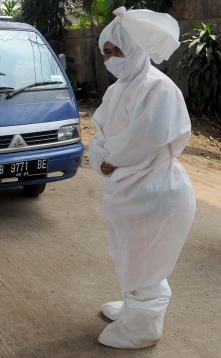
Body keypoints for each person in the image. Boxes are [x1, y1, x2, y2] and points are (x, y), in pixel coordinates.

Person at [89, 7, 196, 349]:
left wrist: (108, 159)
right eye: (106, 52)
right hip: (127, 189)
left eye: (115, 51)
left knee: (147, 261)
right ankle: (133, 309)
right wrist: (100, 157)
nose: (110, 59)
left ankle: (143, 327)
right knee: (128, 254)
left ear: (135, 47)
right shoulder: (118, 89)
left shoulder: (158, 88)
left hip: (155, 193)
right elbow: (100, 131)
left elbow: (144, 140)